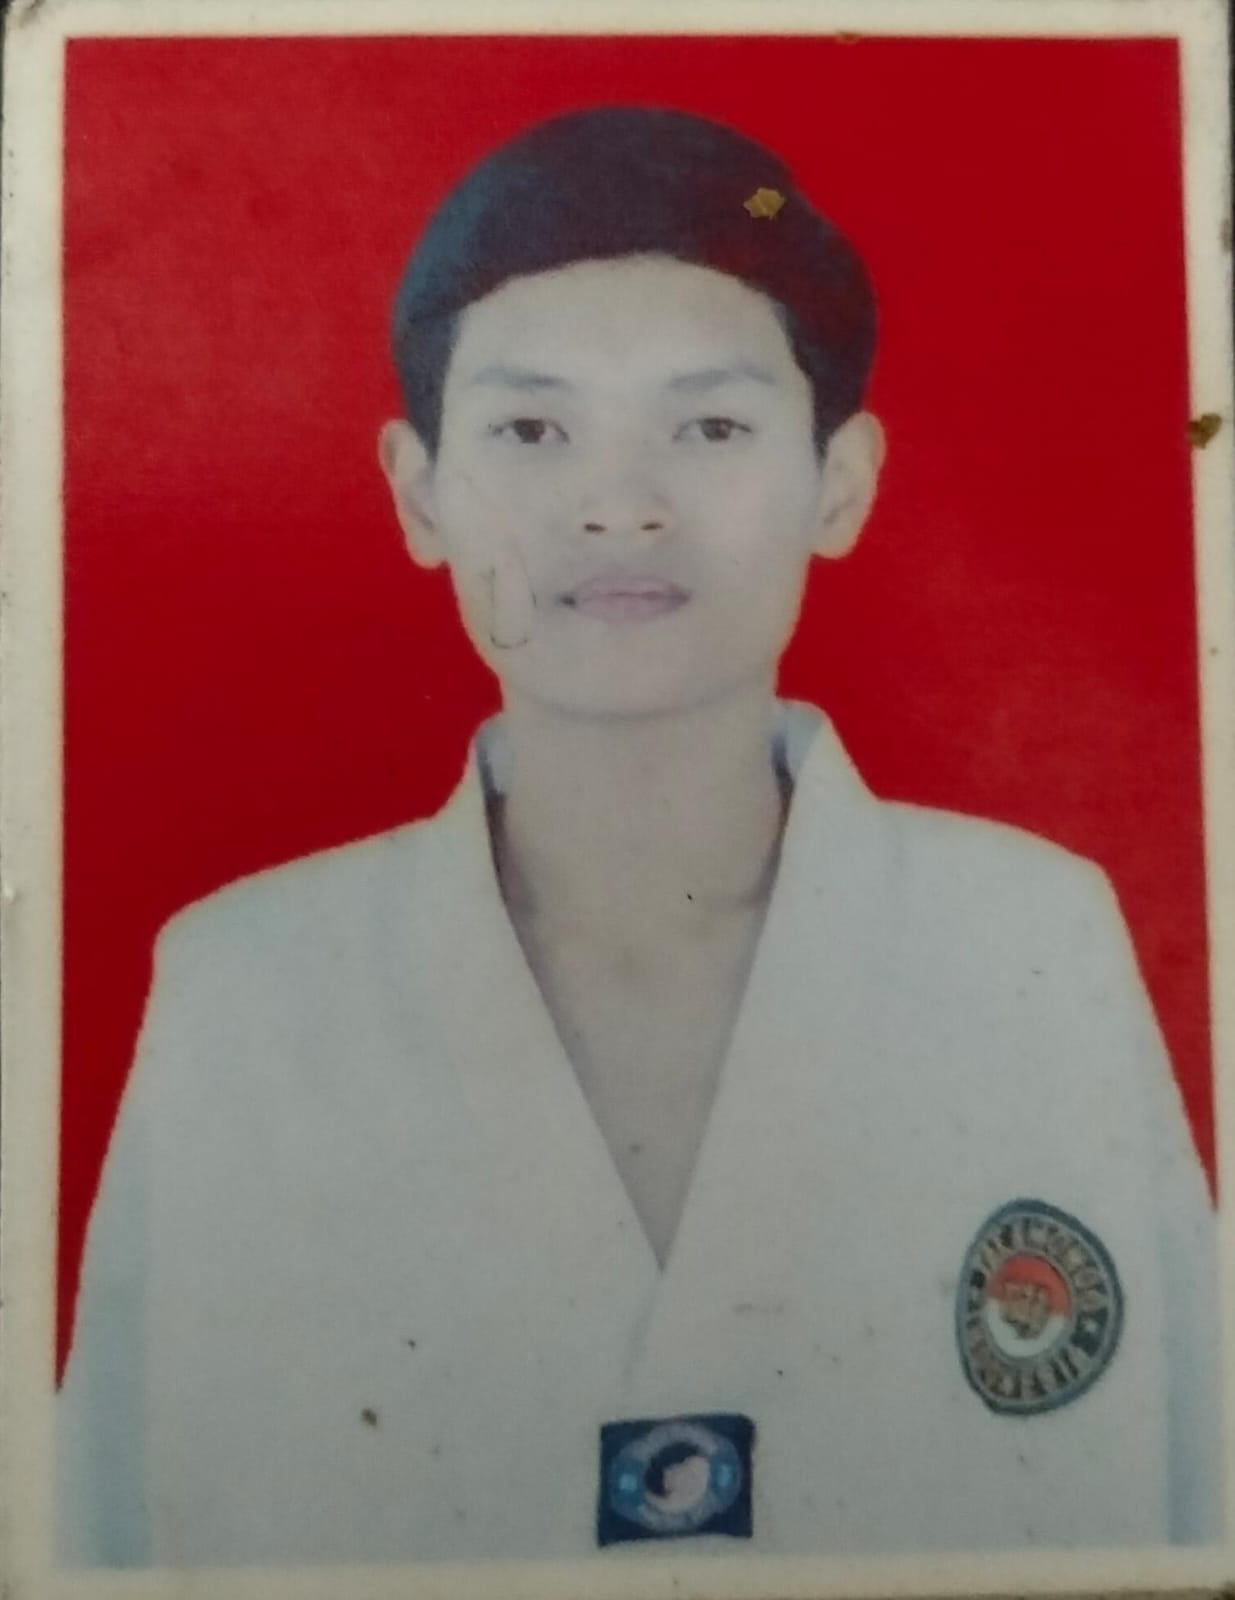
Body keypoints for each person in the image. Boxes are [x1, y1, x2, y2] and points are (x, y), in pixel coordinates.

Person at [58, 105, 1220, 1567]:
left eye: (710, 428)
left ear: (841, 481)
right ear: (419, 491)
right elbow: (95, 1548)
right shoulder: (242, 989)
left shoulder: (1034, 943)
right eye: (531, 430)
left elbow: (1199, 1510)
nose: (619, 509)